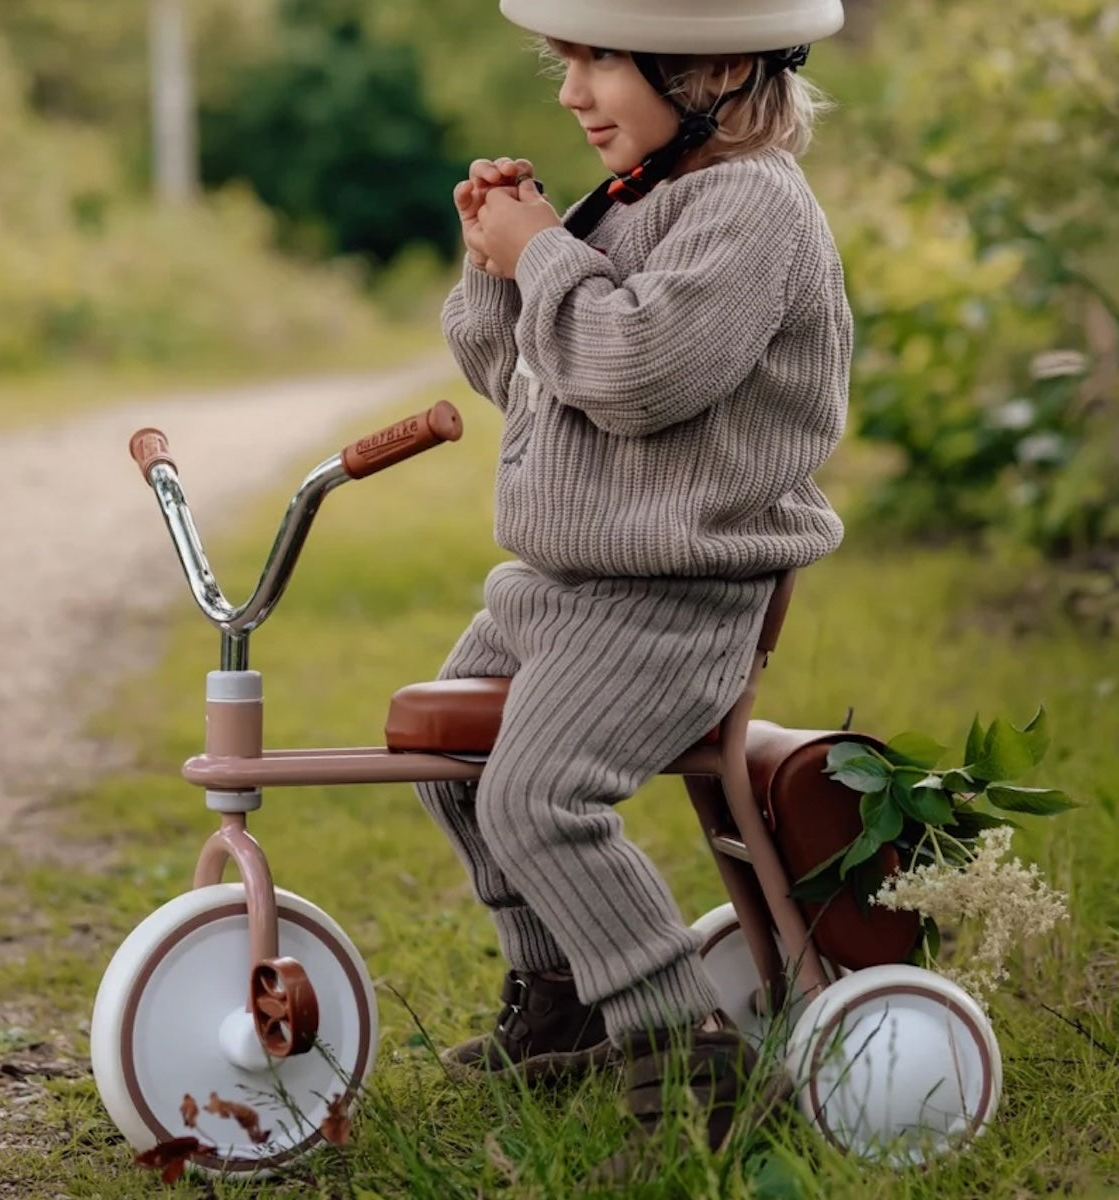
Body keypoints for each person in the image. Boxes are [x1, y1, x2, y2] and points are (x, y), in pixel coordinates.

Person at [415, 0, 852, 1167]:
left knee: (537, 799)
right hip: (563, 590)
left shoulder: (754, 209)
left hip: (670, 599)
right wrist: (498, 270)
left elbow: (640, 369)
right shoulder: (633, 205)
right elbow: (531, 373)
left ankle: (690, 1057)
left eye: (597, 59)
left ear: (707, 64)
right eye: (566, 62)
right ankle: (555, 998)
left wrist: (544, 253)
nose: (571, 93)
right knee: (451, 770)